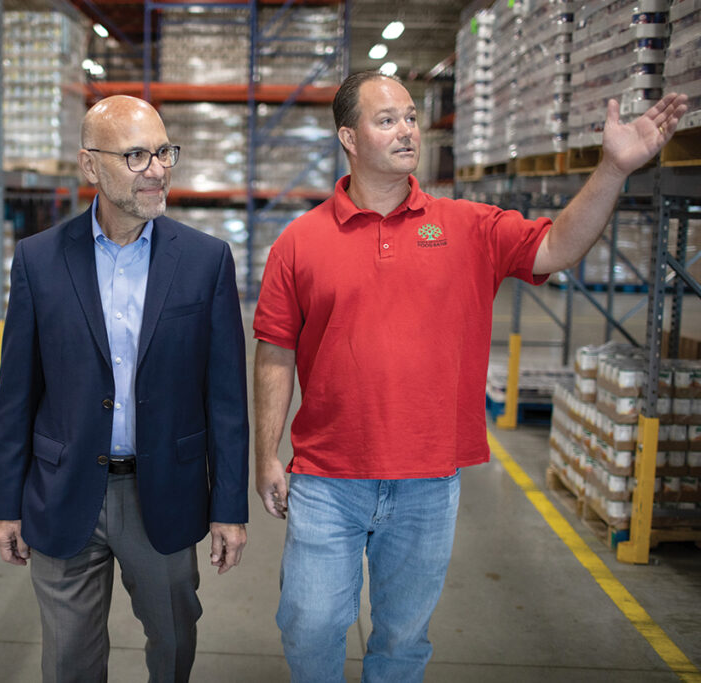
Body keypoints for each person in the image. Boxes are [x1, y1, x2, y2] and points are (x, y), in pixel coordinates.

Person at [252, 70, 687, 682]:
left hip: (429, 478)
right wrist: (266, 453)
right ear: (348, 137)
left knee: (403, 637)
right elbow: (274, 349)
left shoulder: (468, 225)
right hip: (328, 476)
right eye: (387, 120)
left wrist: (613, 170)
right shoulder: (299, 242)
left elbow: (557, 248)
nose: (407, 130)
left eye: (410, 117)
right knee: (310, 622)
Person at [0, 95, 249, 683]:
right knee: (68, 661)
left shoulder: (206, 261)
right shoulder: (38, 259)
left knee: (175, 642)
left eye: (162, 152)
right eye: (135, 156)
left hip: (164, 492)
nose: (156, 169)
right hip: (62, 490)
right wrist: (8, 502)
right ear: (90, 166)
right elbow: (17, 394)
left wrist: (229, 509)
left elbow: (227, 400)